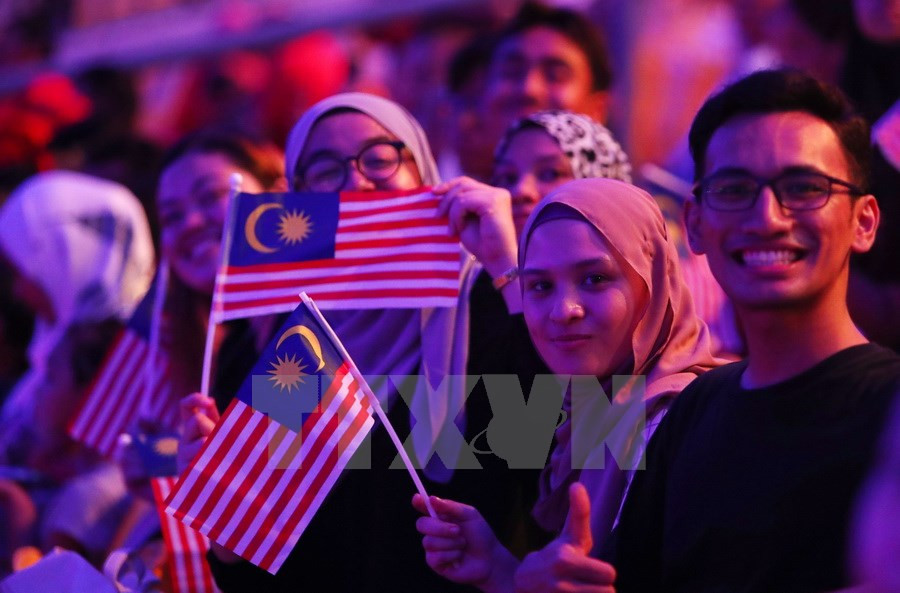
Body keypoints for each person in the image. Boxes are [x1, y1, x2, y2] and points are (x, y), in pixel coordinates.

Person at [606, 69, 900, 592]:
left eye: (805, 187)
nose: (767, 217)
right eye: (735, 188)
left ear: (864, 222)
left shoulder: (889, 411)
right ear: (694, 223)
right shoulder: (689, 411)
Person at [191, 92, 480, 593]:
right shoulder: (298, 348)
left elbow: (563, 467)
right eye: (325, 170)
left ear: (423, 168)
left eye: (380, 157)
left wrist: (507, 270)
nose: (357, 181)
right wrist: (225, 516)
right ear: (300, 198)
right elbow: (253, 567)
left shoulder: (491, 308)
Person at [413, 178, 720, 592]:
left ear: (656, 278)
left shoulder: (679, 422)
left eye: (594, 279)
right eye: (539, 286)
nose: (563, 310)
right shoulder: (594, 411)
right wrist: (499, 569)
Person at [0, 170, 155, 572]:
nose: (18, 291)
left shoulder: (92, 498)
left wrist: (16, 520)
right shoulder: (58, 344)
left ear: (63, 257)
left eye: (23, 272)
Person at [463, 2, 613, 180]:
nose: (528, 89)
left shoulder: (623, 206)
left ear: (597, 109)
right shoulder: (444, 201)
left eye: (555, 75)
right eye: (511, 72)